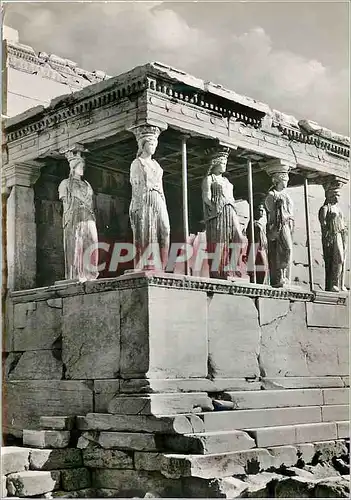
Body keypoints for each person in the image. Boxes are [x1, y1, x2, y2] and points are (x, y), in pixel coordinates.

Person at [129, 126, 170, 270]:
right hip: (145, 199)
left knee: (165, 228)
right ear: (143, 145)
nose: (153, 147)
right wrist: (136, 208)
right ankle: (149, 263)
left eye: (154, 144)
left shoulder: (157, 165)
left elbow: (161, 186)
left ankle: (162, 266)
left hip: (158, 197)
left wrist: (162, 201)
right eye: (150, 144)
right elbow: (136, 187)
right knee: (148, 230)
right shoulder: (137, 163)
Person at [202, 147, 244, 279]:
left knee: (238, 237)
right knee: (220, 240)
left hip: (231, 209)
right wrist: (215, 207)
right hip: (218, 211)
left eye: (226, 163)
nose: (224, 165)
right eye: (222, 163)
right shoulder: (209, 179)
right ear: (215, 163)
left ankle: (232, 266)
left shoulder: (226, 181)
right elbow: (206, 197)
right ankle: (220, 270)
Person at [58, 150, 99, 281]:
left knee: (92, 241)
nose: (82, 168)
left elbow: (91, 203)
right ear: (73, 167)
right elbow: (65, 204)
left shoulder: (87, 185)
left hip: (88, 215)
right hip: (74, 216)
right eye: (80, 166)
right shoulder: (65, 183)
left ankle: (90, 273)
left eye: (83, 166)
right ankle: (76, 274)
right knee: (77, 244)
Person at [265, 171, 294, 287]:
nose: (286, 181)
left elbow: (291, 212)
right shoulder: (272, 195)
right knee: (285, 249)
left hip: (288, 224)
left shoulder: (287, 195)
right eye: (285, 180)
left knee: (287, 250)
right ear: (278, 180)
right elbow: (270, 212)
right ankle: (279, 275)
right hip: (279, 225)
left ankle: (285, 274)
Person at [319, 180, 347, 292]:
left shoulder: (339, 209)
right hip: (331, 236)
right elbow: (323, 223)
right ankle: (332, 284)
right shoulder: (325, 208)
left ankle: (339, 283)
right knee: (335, 258)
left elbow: (343, 223)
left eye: (338, 195)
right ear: (330, 195)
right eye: (336, 195)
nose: (338, 197)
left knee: (341, 258)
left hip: (340, 235)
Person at [245, 201, 269, 284]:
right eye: (259, 210)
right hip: (256, 250)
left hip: (261, 250)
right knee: (259, 271)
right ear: (254, 211)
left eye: (262, 210)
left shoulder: (258, 223)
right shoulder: (253, 224)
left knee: (263, 271)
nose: (261, 213)